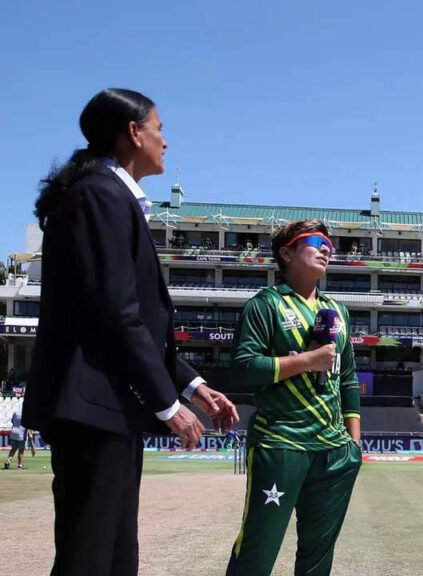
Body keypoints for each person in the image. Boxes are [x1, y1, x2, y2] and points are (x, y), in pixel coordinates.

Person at [23, 89, 238, 576]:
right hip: (92, 407)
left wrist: (193, 385)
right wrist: (168, 406)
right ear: (133, 133)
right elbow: (115, 313)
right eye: (159, 128)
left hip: (108, 408)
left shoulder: (106, 193)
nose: (167, 141)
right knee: (91, 557)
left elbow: (132, 318)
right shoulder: (99, 194)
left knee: (115, 557)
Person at [226, 219, 363, 576]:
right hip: (281, 443)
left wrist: (354, 444)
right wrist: (307, 361)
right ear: (286, 253)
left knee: (318, 558)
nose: (326, 249)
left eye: (329, 245)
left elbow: (347, 379)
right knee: (258, 549)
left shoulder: (339, 311)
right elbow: (243, 367)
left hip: (334, 451)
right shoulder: (265, 305)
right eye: (315, 242)